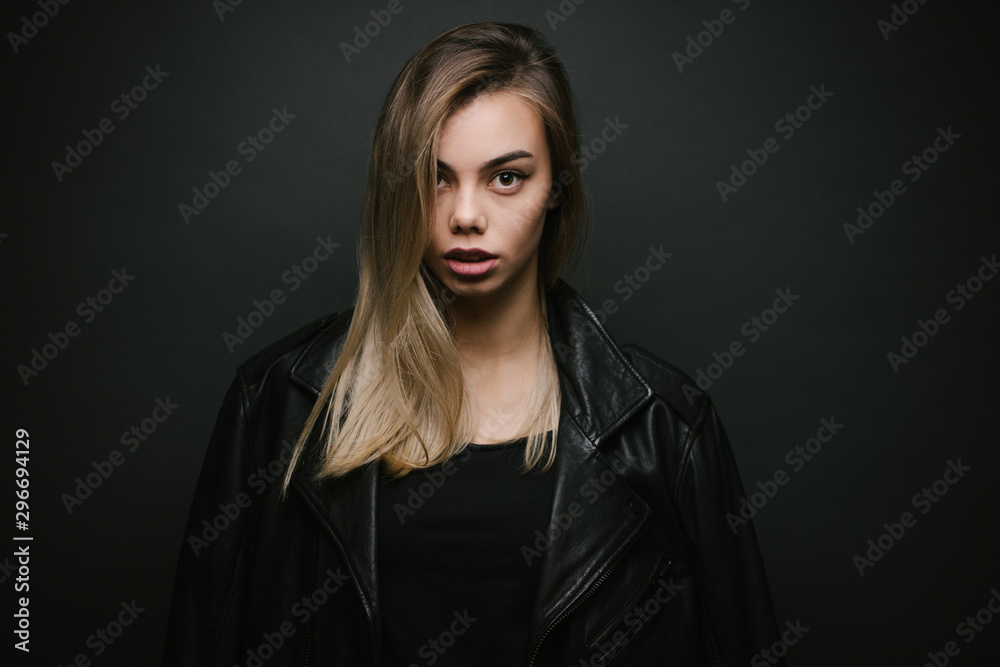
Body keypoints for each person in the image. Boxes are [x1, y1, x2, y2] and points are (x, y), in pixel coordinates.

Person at [163, 21, 784, 667]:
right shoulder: (281, 402)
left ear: (556, 190)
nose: (466, 214)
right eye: (436, 177)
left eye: (506, 177)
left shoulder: (663, 428)